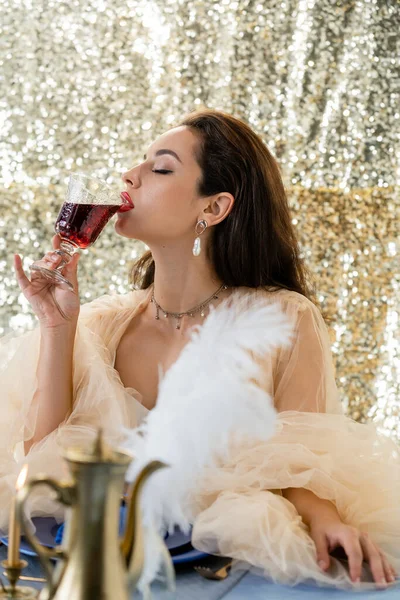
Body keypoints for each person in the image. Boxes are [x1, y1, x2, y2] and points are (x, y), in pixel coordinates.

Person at [3, 109, 399, 590]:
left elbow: (301, 458)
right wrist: (56, 326)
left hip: (214, 566)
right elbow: (41, 462)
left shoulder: (282, 319)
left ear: (213, 208)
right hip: (96, 562)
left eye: (161, 167)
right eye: (141, 161)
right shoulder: (102, 323)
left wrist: (324, 520)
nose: (131, 175)